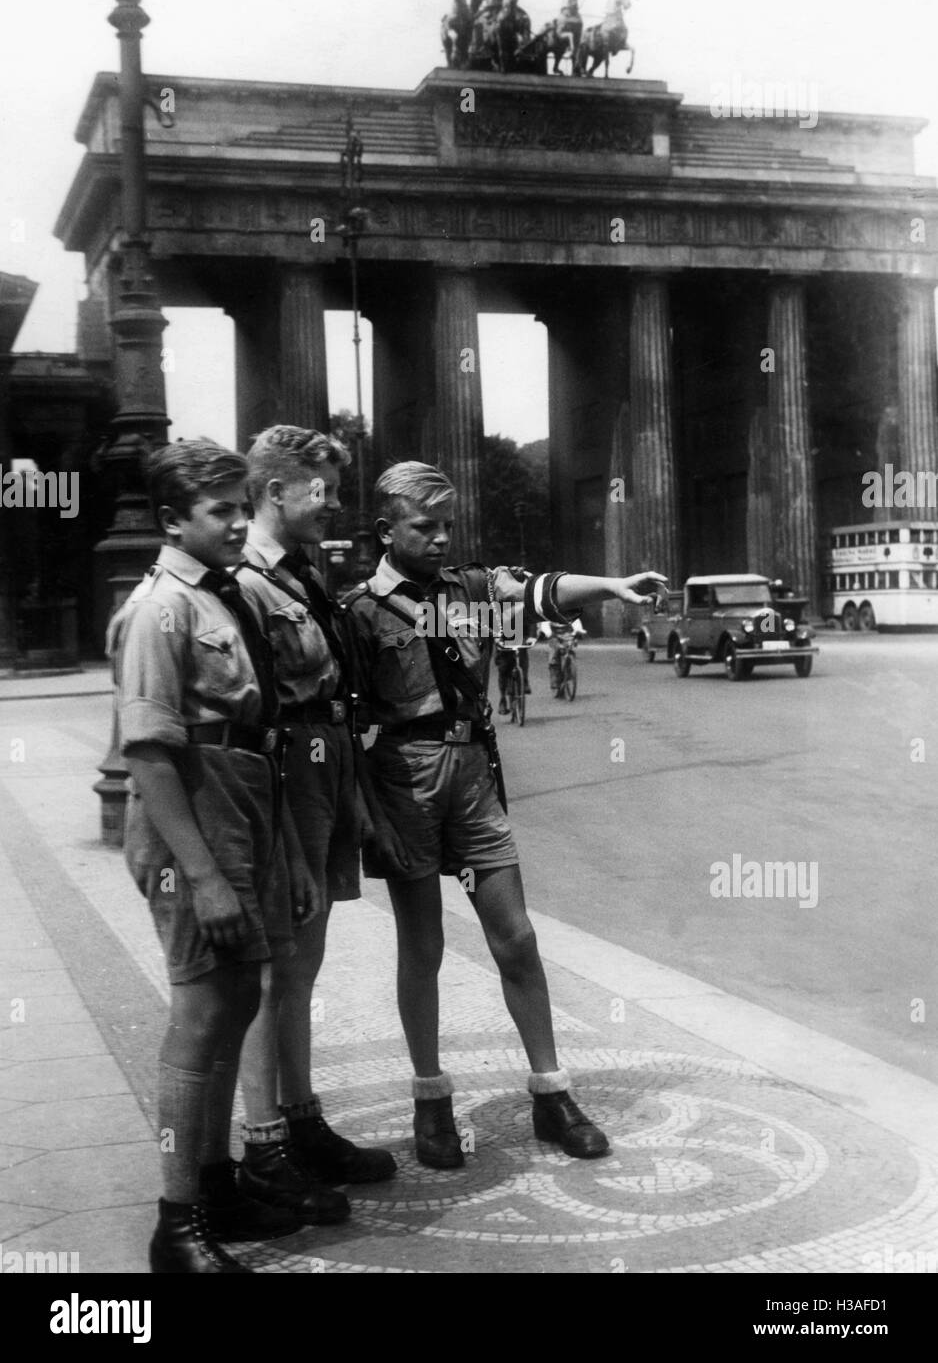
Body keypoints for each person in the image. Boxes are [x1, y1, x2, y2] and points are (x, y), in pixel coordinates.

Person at [344, 460, 667, 1169]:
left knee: (515, 937)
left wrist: (610, 585)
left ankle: (552, 1094)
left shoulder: (470, 593)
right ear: (386, 530)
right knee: (421, 946)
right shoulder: (360, 613)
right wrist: (372, 817)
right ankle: (431, 1100)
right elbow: (348, 729)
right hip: (404, 780)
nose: (439, 539)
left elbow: (545, 592)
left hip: (471, 777)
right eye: (423, 527)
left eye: (447, 526)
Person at [108, 438, 318, 1273]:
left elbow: (258, 732)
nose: (238, 522)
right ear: (172, 520)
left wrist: (288, 854)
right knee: (199, 1018)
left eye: (241, 507)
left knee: (234, 1005)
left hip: (242, 806)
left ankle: (216, 1182)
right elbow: (148, 753)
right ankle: (177, 1224)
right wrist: (200, 876)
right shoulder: (160, 608)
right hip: (191, 817)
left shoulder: (219, 596)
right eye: (220, 511)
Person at [233, 426, 399, 1217]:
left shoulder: (303, 574)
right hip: (286, 771)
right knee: (276, 966)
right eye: (322, 489)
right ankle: (264, 1146)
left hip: (327, 764)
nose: (334, 502)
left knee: (304, 963)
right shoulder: (246, 583)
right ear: (276, 492)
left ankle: (302, 1122)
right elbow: (253, 715)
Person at [541, 616, 586, 694]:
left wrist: (578, 630)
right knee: (554, 654)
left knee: (569, 647)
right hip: (554, 634)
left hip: (567, 634)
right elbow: (545, 624)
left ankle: (569, 669)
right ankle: (555, 678)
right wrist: (549, 633)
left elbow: (575, 621)